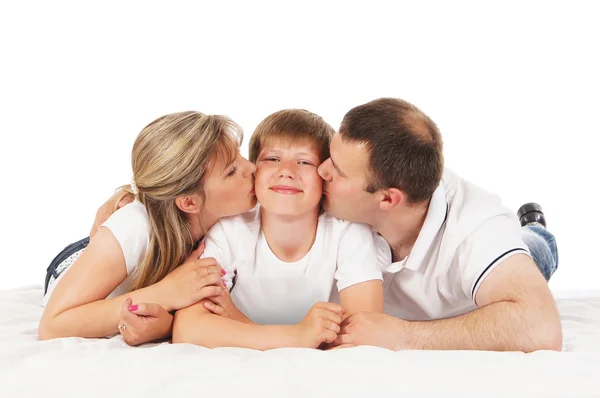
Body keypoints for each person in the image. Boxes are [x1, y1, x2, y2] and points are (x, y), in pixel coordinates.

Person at [316, 97, 561, 352]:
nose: (321, 170)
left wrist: (403, 335)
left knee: (534, 245)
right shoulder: (331, 199)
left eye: (338, 170)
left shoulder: (476, 227)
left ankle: (535, 228)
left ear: (388, 198)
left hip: (510, 247)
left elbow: (541, 328)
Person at [171, 109, 389, 350]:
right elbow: (188, 329)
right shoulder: (231, 229)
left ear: (325, 176)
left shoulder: (348, 231)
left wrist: (241, 323)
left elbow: (364, 333)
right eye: (272, 159)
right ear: (254, 170)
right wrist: (298, 336)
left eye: (304, 161)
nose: (286, 171)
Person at [38, 111, 257, 344]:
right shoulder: (132, 228)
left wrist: (166, 325)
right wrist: (167, 293)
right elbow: (52, 325)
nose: (251, 167)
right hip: (75, 264)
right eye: (231, 171)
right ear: (190, 202)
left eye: (240, 156)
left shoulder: (240, 213)